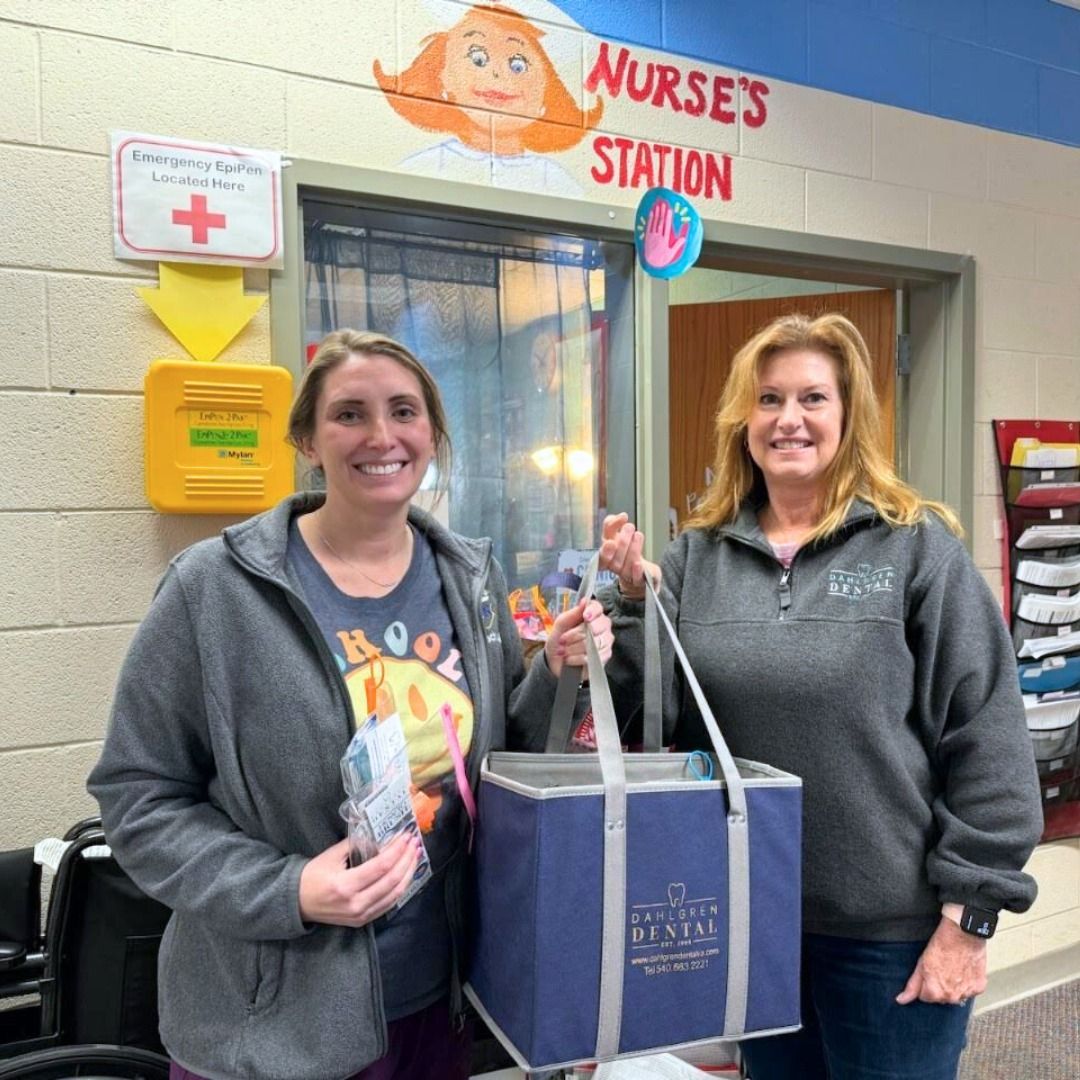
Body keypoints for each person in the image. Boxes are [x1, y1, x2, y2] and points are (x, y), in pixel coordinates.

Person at [88, 330, 612, 1080]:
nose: (381, 436)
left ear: (432, 433)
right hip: (271, 1024)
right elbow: (136, 799)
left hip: (439, 1003)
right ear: (307, 438)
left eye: (404, 411)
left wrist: (559, 673)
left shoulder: (470, 578)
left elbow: (498, 764)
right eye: (350, 415)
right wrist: (290, 889)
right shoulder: (213, 590)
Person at [598, 313, 1043, 1080]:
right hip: (754, 921)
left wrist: (968, 921)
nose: (789, 419)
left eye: (813, 398)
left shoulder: (916, 548)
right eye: (769, 399)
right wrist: (628, 610)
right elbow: (653, 718)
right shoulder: (696, 557)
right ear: (744, 420)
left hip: (891, 935)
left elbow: (988, 737)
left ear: (849, 417)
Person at [374, 3, 602, 196]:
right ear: (443, 75)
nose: (497, 74)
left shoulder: (555, 181)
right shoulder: (426, 167)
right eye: (478, 58)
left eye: (518, 64)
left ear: (547, 87)